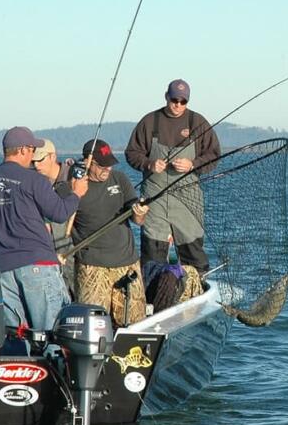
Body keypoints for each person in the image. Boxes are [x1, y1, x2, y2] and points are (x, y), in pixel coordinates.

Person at [0, 126, 89, 336]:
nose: (33, 157)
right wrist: (76, 194)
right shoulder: (33, 179)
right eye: (32, 150)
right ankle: (56, 368)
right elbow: (60, 213)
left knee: (17, 335)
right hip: (37, 265)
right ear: (23, 150)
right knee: (53, 332)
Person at [125, 78, 220, 272]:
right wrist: (149, 164)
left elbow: (214, 155)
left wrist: (193, 164)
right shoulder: (149, 121)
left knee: (193, 253)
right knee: (152, 254)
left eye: (183, 101)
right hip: (155, 198)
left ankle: (196, 292)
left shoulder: (197, 122)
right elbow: (131, 153)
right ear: (166, 96)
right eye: (174, 100)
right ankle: (153, 296)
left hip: (187, 199)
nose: (178, 105)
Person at [71, 138, 149, 325]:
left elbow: (138, 220)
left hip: (127, 263)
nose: (108, 169)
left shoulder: (119, 179)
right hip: (92, 267)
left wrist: (140, 212)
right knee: (94, 325)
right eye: (102, 165)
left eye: (110, 165)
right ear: (88, 162)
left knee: (135, 323)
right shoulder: (74, 188)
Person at [30, 138, 77, 295]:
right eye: (33, 161)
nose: (36, 165)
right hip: (48, 254)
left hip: (74, 250)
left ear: (53, 156)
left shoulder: (73, 177)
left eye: (40, 160)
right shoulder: (34, 182)